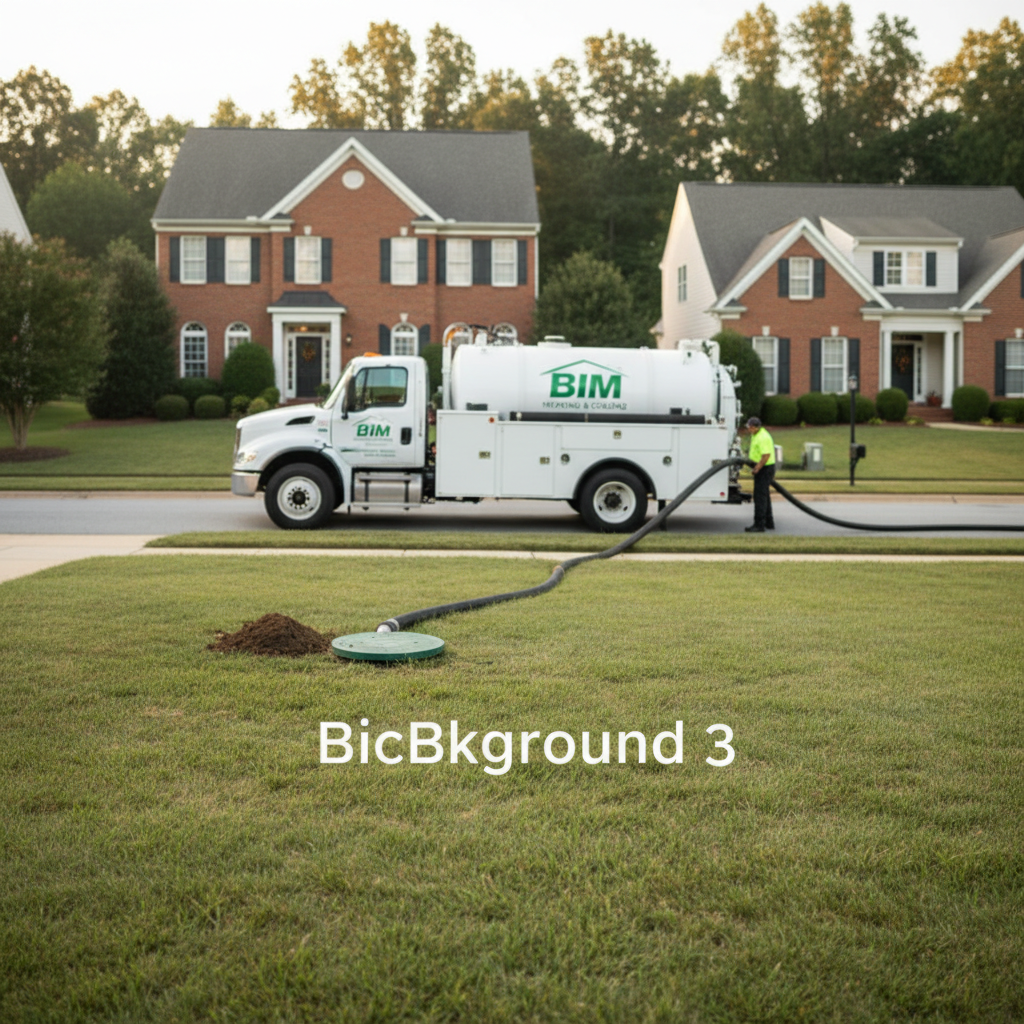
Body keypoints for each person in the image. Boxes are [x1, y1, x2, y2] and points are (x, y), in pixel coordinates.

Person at [744, 416, 776, 533]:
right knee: (765, 496)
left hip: (764, 469)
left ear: (753, 427)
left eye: (749, 427)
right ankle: (769, 522)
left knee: (759, 497)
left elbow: (766, 456)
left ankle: (759, 525)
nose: (748, 429)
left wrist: (757, 468)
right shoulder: (757, 434)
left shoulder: (762, 437)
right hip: (763, 468)